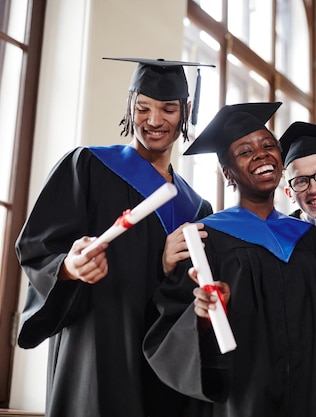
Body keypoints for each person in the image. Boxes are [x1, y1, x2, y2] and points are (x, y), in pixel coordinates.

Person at [15, 57, 214, 417]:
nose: (154, 121)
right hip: (95, 348)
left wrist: (168, 267)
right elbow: (38, 247)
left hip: (160, 367)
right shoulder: (88, 166)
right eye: (142, 108)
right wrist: (68, 267)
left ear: (185, 111)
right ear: (129, 106)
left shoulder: (196, 208)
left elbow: (190, 299)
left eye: (168, 109)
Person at [143, 102, 316, 417]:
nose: (260, 154)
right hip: (240, 401)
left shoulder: (310, 240)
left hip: (309, 397)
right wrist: (202, 316)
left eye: (268, 146)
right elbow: (171, 328)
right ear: (228, 174)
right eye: (245, 151)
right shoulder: (206, 240)